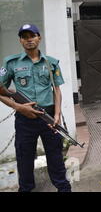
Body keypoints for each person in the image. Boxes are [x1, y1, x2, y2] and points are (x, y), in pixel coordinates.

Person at [0, 24, 71, 192]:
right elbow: (1, 91)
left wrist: (58, 114)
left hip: (48, 117)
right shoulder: (11, 63)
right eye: (25, 37)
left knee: (56, 159)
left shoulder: (51, 63)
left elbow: (57, 90)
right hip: (25, 120)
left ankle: (63, 188)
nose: (29, 39)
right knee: (24, 159)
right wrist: (19, 107)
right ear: (20, 40)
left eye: (32, 35)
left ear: (39, 38)